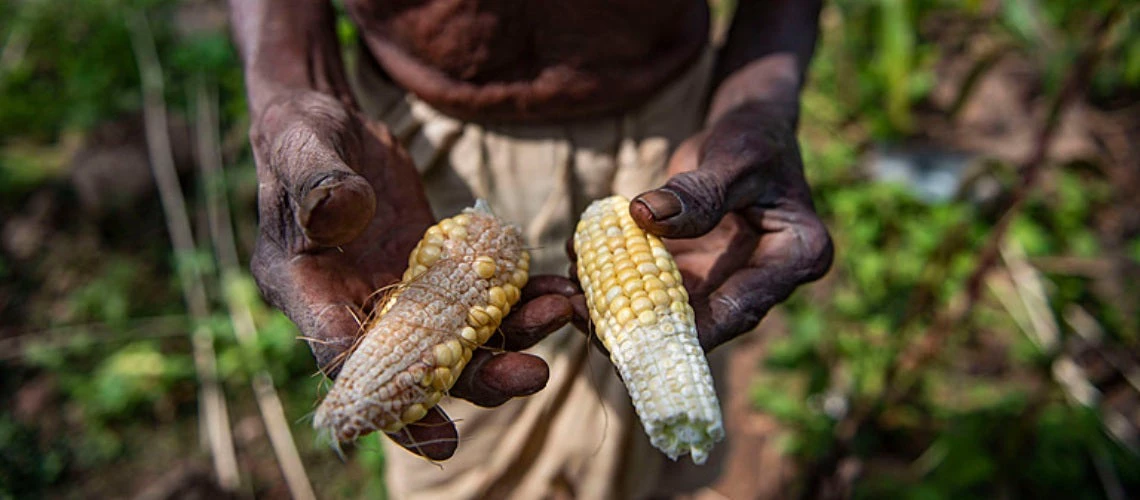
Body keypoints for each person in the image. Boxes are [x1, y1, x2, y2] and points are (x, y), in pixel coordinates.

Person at [229, 0, 833, 497]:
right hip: (404, 156)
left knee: (647, 471)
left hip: (674, 140)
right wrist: (293, 91)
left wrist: (758, 103)